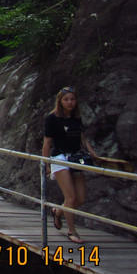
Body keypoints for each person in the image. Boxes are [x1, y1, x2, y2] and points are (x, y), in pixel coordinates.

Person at [42, 86, 99, 244]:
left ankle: (57, 211)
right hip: (60, 158)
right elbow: (47, 143)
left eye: (72, 99)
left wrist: (93, 154)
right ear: (60, 100)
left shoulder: (76, 118)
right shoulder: (52, 118)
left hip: (76, 157)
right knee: (71, 197)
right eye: (66, 99)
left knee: (80, 198)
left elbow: (83, 139)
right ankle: (71, 231)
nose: (70, 102)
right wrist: (46, 163)